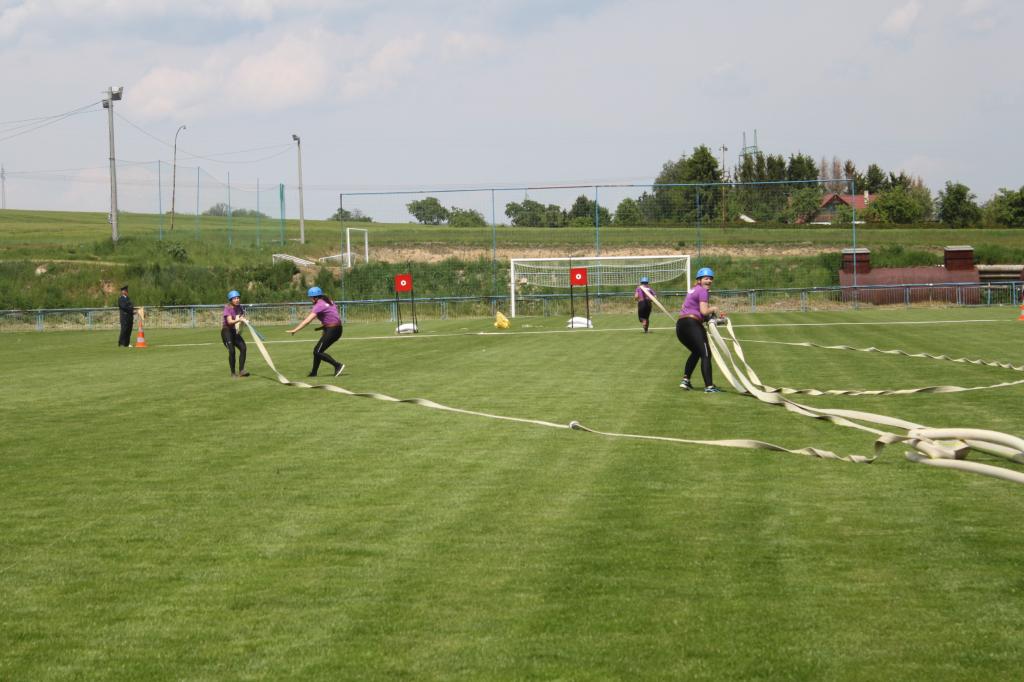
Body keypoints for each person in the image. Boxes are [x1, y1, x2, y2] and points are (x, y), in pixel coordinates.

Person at [676, 267, 725, 393]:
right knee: (706, 353)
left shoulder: (692, 290)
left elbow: (685, 307)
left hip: (681, 326)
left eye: (710, 279)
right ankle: (709, 387)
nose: (709, 281)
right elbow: (703, 311)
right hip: (692, 324)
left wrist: (712, 319)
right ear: (699, 280)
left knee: (696, 352)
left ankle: (686, 380)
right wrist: (714, 309)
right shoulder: (703, 291)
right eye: (706, 278)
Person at [287, 286, 345, 378]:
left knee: (317, 351)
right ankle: (314, 372)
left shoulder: (319, 305)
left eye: (310, 297)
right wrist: (325, 327)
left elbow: (307, 320)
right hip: (336, 329)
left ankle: (337, 365)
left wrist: (295, 329)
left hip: (332, 330)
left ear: (315, 297)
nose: (310, 299)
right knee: (318, 351)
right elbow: (332, 315)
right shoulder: (329, 301)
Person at [222, 290, 250, 378]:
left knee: (243, 348)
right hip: (226, 331)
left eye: (238, 298)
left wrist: (245, 321)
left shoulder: (239, 307)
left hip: (235, 332)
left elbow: (241, 318)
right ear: (231, 300)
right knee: (232, 351)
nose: (237, 300)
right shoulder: (227, 308)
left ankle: (241, 371)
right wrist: (239, 320)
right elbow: (229, 322)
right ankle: (233, 373)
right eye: (235, 298)